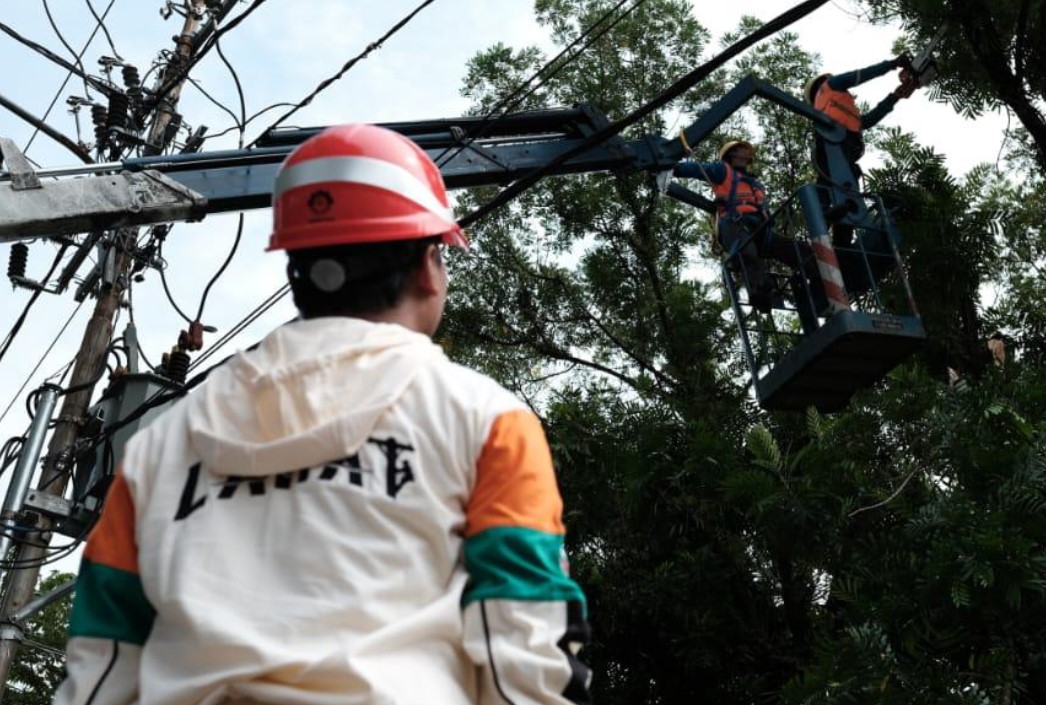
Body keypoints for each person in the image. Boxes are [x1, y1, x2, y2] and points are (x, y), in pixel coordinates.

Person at [55, 124, 591, 705]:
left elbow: (103, 662)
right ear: (427, 266)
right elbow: (525, 642)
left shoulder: (159, 448)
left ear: (297, 274)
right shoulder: (485, 419)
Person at [671, 140, 813, 313]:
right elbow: (697, 169)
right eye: (744, 149)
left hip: (760, 227)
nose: (748, 152)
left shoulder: (754, 182)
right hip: (734, 223)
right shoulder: (723, 170)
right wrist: (674, 168)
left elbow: (762, 206)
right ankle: (760, 294)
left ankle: (822, 280)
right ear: (733, 153)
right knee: (747, 253)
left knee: (798, 250)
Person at [805, 59, 919, 245]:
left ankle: (838, 236)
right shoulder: (831, 85)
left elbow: (867, 120)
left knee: (840, 185)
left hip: (842, 145)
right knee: (837, 184)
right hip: (832, 142)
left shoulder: (841, 105)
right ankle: (827, 223)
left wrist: (895, 96)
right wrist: (892, 64)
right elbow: (860, 75)